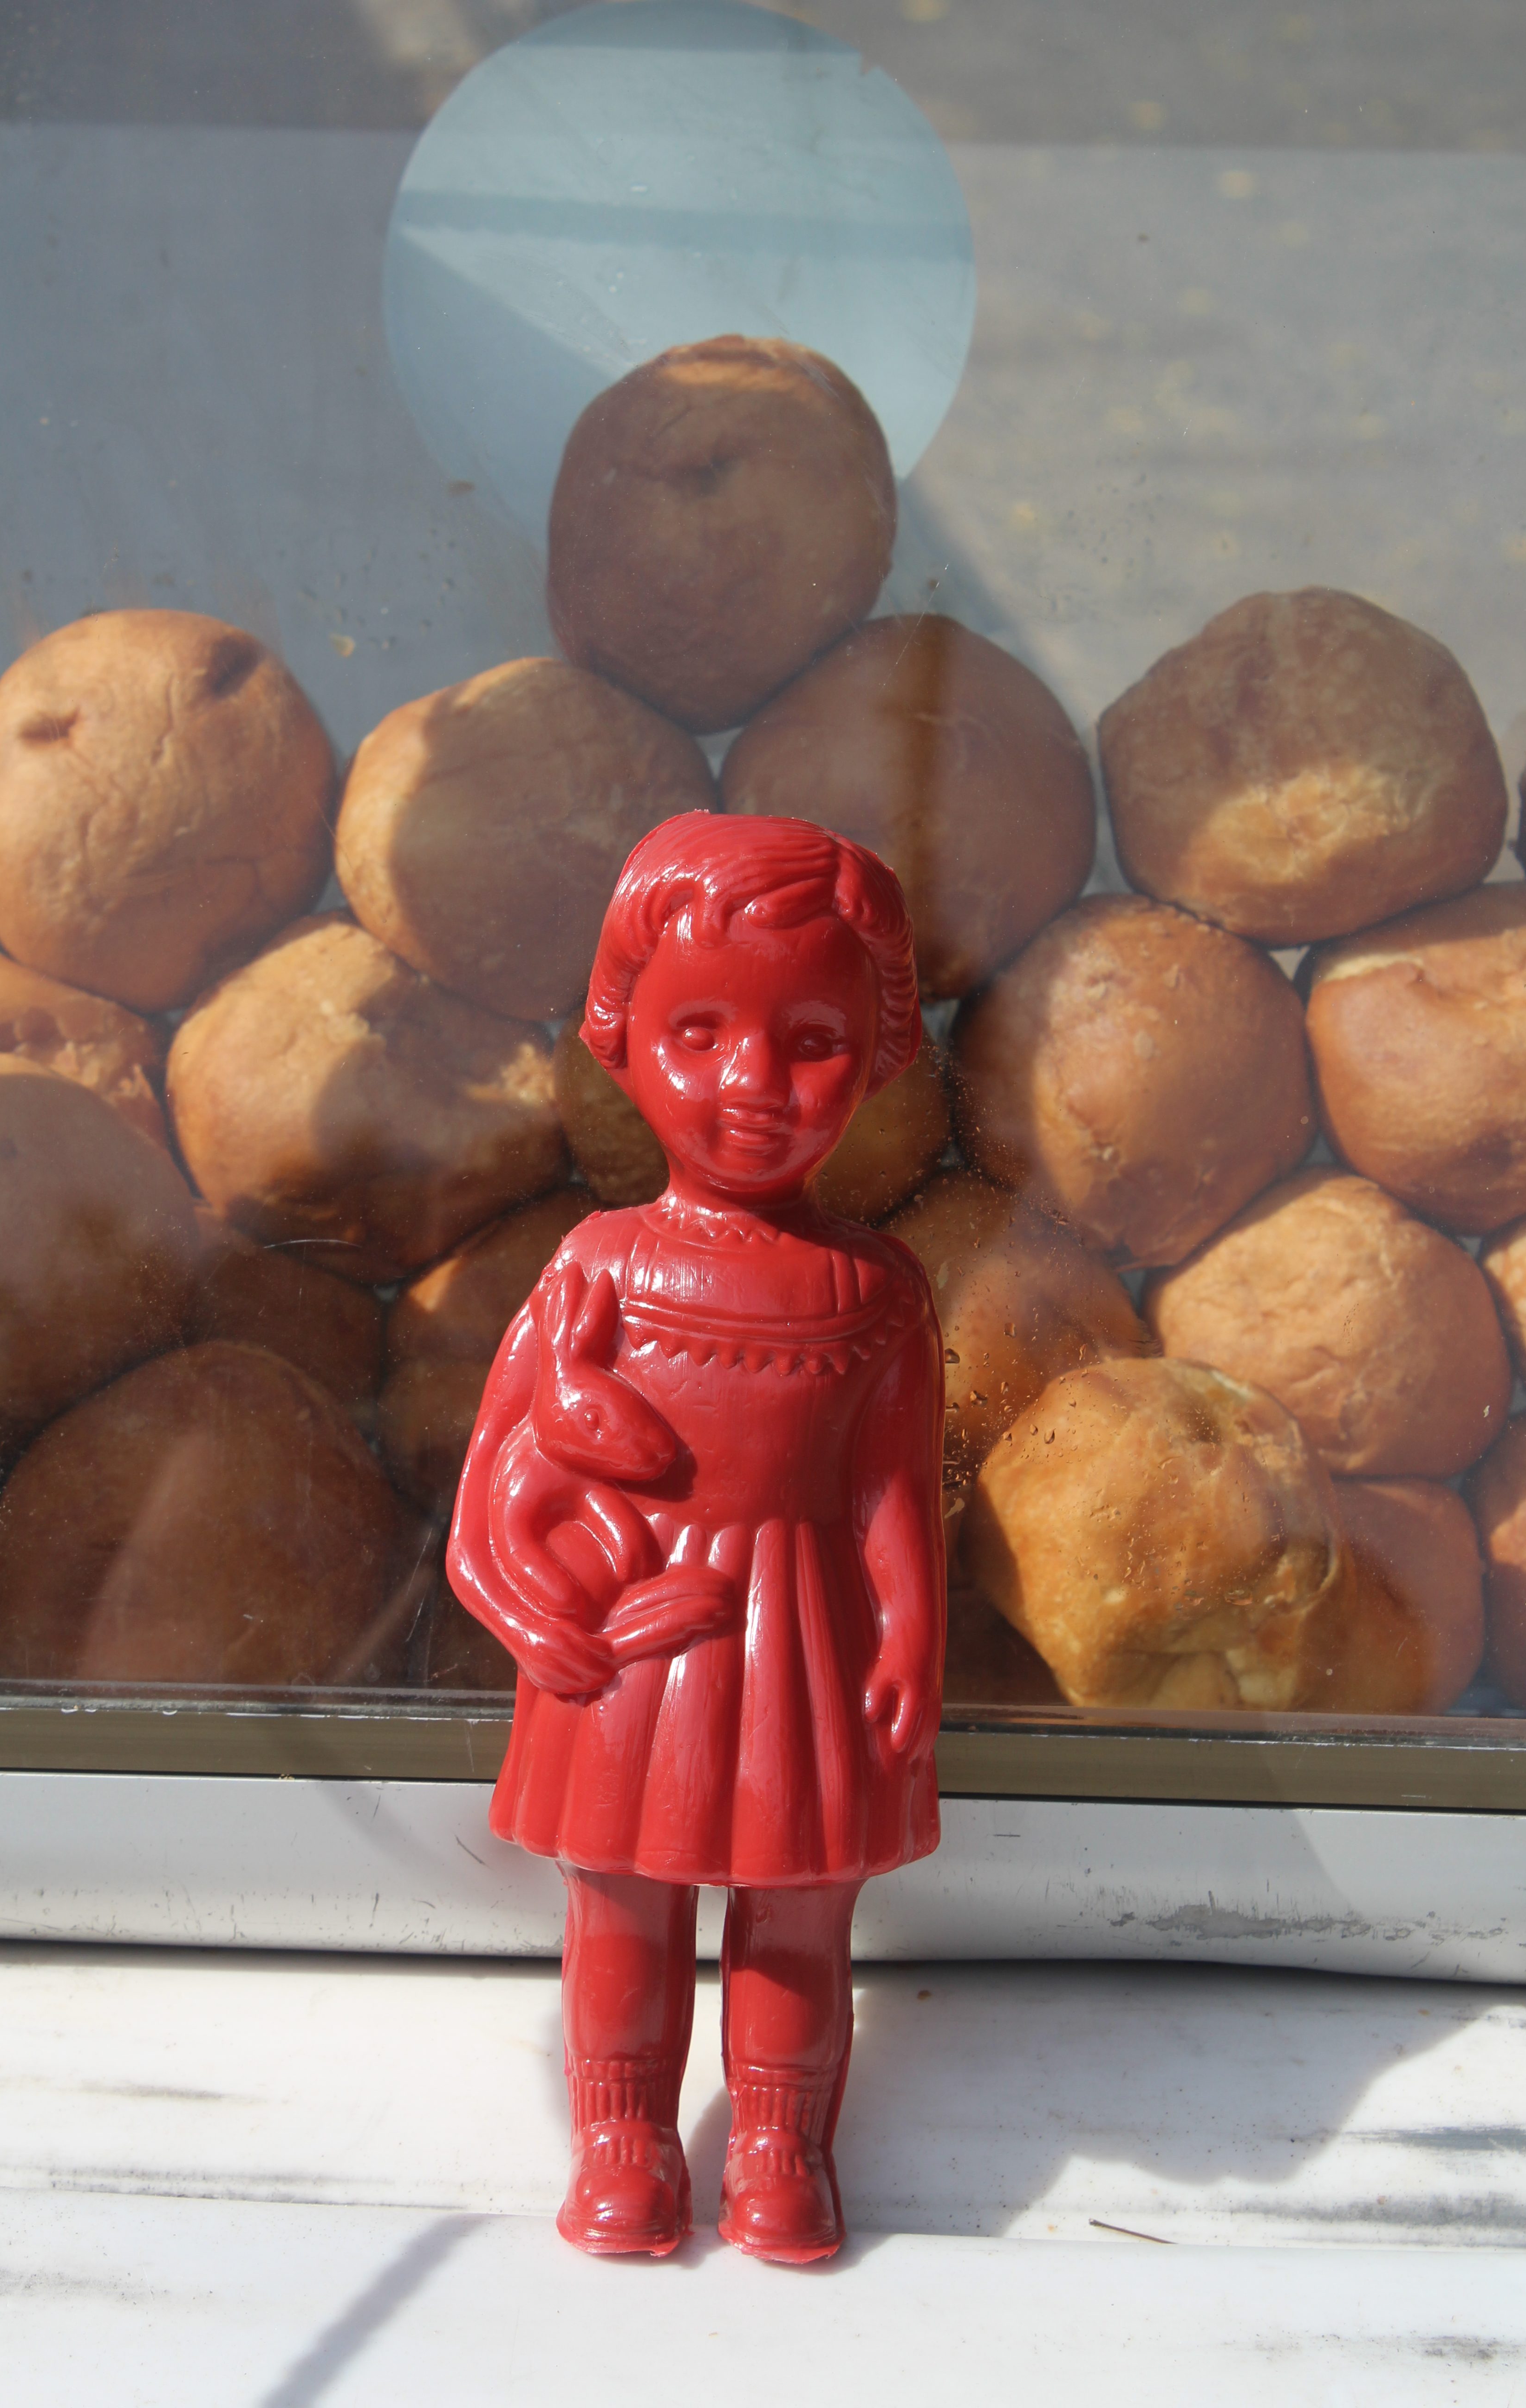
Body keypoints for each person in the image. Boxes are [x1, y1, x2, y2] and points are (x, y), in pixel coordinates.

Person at [448, 811, 946, 2263]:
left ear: (883, 1048)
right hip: (641, 1642)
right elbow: (505, 1474)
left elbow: (889, 1487)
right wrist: (553, 1624)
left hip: (806, 1643)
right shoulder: (598, 1265)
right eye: (700, 1034)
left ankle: (783, 2148)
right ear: (620, 1038)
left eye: (811, 1043)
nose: (753, 1087)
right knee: (621, 1899)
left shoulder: (879, 1291)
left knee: (801, 1913)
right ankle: (627, 2139)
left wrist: (912, 1621)